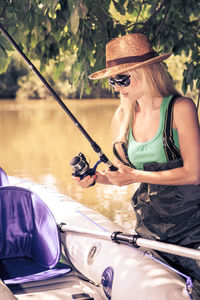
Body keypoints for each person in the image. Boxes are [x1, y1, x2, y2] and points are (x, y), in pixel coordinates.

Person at [73, 33, 200, 295]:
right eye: (112, 81)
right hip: (149, 230)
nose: (117, 87)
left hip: (193, 229)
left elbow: (194, 173)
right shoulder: (122, 117)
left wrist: (134, 175)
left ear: (147, 71)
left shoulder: (181, 108)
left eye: (122, 78)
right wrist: (98, 178)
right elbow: (126, 176)